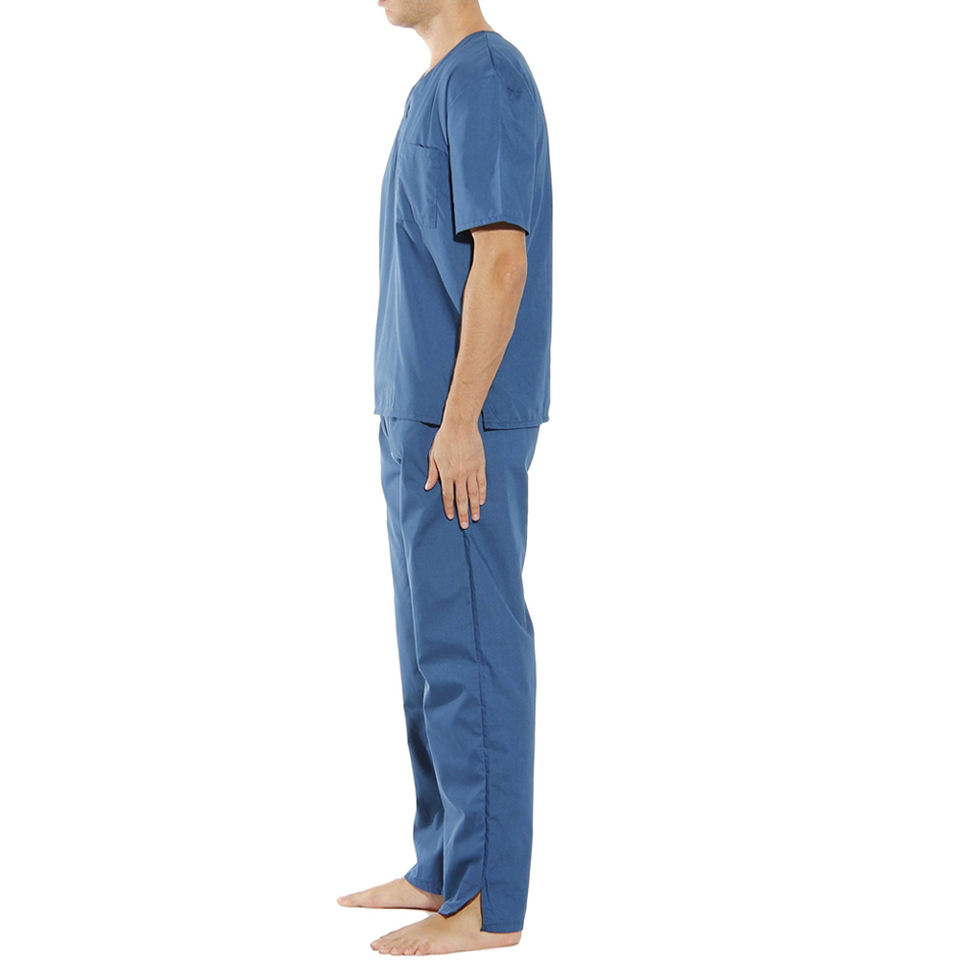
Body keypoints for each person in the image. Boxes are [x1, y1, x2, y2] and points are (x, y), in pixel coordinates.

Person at [339, 1, 552, 954]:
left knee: (472, 654)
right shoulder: (436, 86)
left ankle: (486, 903)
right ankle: (442, 865)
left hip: (457, 429)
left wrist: (461, 418)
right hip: (417, 420)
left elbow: (502, 262)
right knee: (430, 658)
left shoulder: (487, 79)